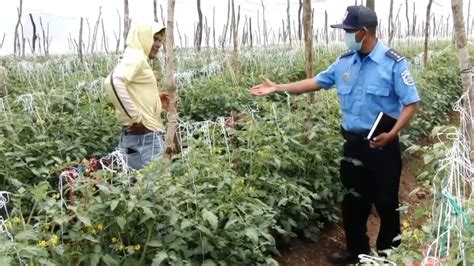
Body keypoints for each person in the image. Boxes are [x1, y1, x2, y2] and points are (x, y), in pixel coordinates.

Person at [250, 5, 420, 264]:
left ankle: (387, 256)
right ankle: (357, 252)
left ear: (363, 32)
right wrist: (278, 87)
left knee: (386, 204)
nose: (346, 35)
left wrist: (393, 133)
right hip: (352, 147)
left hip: (384, 146)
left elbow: (411, 103)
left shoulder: (393, 63)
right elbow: (315, 82)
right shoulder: (344, 63)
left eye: (349, 31)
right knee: (353, 203)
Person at [104, 22, 169, 170]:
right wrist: (135, 117)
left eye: (160, 40)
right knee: (157, 187)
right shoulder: (137, 57)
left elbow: (132, 89)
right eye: (155, 39)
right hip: (145, 141)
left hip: (135, 140)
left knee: (135, 185)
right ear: (144, 37)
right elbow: (113, 81)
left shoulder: (135, 56)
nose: (159, 44)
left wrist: (156, 99)